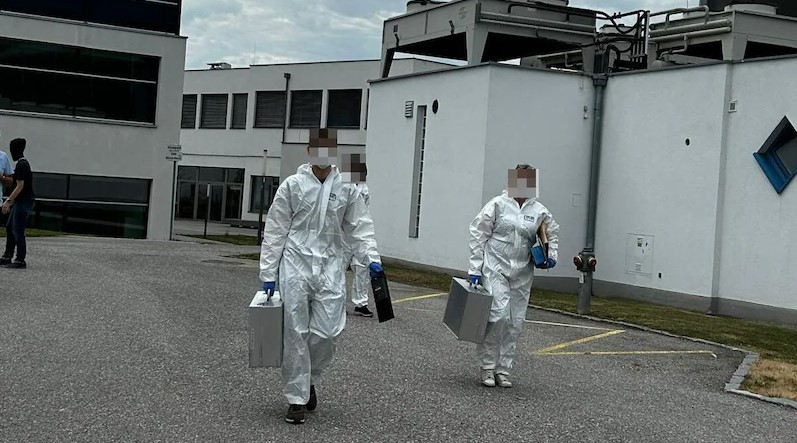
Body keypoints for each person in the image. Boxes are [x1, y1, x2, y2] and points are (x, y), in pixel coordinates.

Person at [259, 130, 382, 425]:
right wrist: (268, 272)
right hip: (296, 263)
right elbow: (276, 229)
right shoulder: (293, 185)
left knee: (328, 332)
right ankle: (297, 399)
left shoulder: (347, 186)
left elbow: (359, 226)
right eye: (319, 148)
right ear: (310, 151)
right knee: (296, 332)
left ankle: (309, 378)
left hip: (330, 265)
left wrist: (372, 259)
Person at [467, 164, 559, 388]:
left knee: (515, 322)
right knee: (498, 316)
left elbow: (552, 232)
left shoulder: (538, 210)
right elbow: (478, 234)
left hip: (522, 271)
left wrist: (551, 255)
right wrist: (475, 268)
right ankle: (487, 366)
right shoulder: (497, 205)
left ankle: (503, 369)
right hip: (495, 266)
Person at [340, 153, 373, 317]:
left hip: (358, 236)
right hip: (343, 235)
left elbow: (363, 214)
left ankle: (361, 303)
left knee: (362, 268)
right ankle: (337, 301)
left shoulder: (364, 188)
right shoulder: (342, 187)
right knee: (339, 268)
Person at [1, 138, 35, 269]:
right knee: (10, 228)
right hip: (20, 201)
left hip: (24, 201)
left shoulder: (22, 165)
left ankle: (20, 259)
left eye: (12, 149)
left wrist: (8, 201)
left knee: (18, 230)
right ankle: (7, 256)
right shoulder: (21, 164)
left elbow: (20, 186)